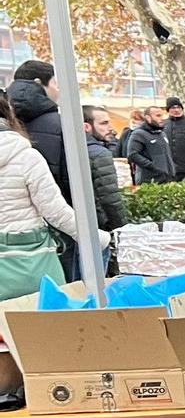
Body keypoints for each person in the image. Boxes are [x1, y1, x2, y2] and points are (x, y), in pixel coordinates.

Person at [0, 89, 103, 300]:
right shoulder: (26, 156)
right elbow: (54, 210)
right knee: (44, 319)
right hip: (30, 254)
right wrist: (94, 237)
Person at [6, 60, 70, 202]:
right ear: (38, 83)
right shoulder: (63, 125)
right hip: (57, 212)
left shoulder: (6, 120)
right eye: (55, 84)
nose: (58, 90)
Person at [81, 105, 130, 235]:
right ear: (87, 126)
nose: (110, 128)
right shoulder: (99, 153)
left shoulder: (69, 148)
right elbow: (110, 198)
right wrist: (122, 228)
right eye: (104, 123)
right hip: (99, 226)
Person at [126, 107, 176, 185]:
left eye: (162, 116)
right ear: (148, 118)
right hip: (149, 182)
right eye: (158, 116)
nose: (162, 119)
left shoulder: (162, 134)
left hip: (167, 181)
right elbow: (132, 155)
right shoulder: (138, 134)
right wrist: (152, 166)